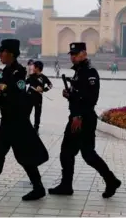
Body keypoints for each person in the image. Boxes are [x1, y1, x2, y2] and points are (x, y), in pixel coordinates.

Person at [0, 39, 49, 201]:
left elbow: (18, 93)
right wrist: (2, 89)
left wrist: (5, 89)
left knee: (23, 156)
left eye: (2, 52)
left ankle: (38, 188)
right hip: (7, 120)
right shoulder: (6, 70)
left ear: (10, 53)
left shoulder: (18, 71)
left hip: (16, 121)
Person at [48, 42, 121, 198]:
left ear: (84, 54)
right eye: (71, 54)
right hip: (76, 116)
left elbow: (90, 99)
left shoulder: (89, 72)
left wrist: (78, 115)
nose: (72, 57)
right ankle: (66, 185)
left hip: (83, 118)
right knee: (67, 152)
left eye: (75, 54)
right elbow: (77, 95)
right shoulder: (79, 72)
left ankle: (111, 180)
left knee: (87, 154)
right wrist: (69, 94)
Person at [26, 61, 53, 133]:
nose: (32, 68)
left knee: (37, 113)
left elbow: (50, 85)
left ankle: (36, 128)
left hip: (38, 98)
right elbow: (25, 83)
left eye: (34, 67)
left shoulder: (44, 77)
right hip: (29, 97)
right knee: (27, 112)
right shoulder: (31, 76)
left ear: (37, 68)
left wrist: (43, 90)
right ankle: (27, 127)